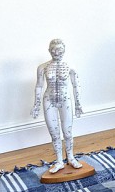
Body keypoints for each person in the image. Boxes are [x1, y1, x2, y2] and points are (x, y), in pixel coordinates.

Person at [32, 39, 85, 174]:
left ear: (64, 50)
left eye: (59, 50)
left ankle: (71, 158)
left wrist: (78, 103)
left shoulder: (70, 66)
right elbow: (39, 86)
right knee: (54, 134)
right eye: (53, 50)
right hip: (49, 100)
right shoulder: (42, 67)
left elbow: (76, 85)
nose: (56, 53)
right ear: (49, 51)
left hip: (65, 100)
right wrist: (36, 105)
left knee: (67, 132)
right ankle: (59, 161)